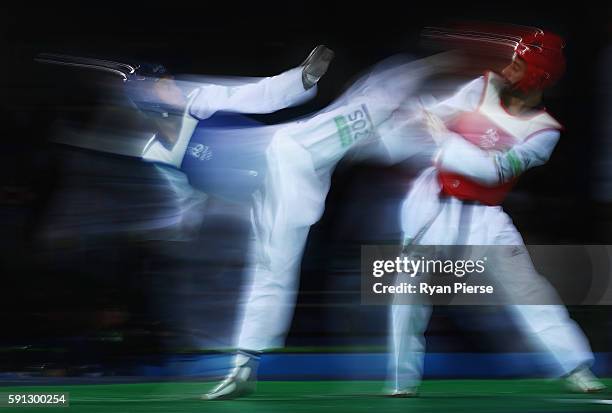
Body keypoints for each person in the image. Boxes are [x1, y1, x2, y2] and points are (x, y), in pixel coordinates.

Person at [388, 29, 605, 397]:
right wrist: (424, 120)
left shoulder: (543, 132)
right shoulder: (482, 86)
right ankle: (401, 381)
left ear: (540, 78)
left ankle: (577, 368)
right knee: (404, 294)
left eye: (518, 65)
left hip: (485, 220)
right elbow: (437, 114)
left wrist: (444, 140)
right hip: (433, 206)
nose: (508, 69)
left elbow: (491, 172)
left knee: (530, 293)